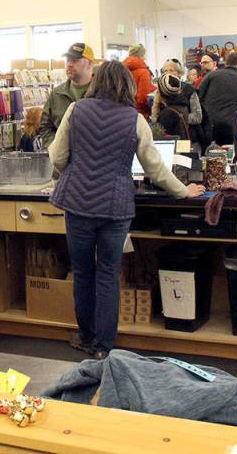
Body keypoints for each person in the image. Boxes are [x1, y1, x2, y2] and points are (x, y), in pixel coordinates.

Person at [49, 61, 204, 359]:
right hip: (115, 205)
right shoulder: (135, 119)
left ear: (96, 81)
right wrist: (184, 190)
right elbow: (155, 168)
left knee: (82, 272)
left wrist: (75, 172)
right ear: (127, 85)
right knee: (108, 273)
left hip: (78, 204)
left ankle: (85, 335)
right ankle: (103, 347)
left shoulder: (76, 110)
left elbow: (57, 156)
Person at [38, 43, 94, 148]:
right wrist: (55, 147)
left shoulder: (101, 93)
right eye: (68, 60)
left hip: (93, 160)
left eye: (75, 60)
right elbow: (45, 127)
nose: (69, 64)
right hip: (63, 162)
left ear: (90, 64)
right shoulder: (56, 94)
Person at [198, 50, 237, 146]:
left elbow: (197, 95)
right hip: (231, 126)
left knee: (208, 155)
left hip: (210, 124)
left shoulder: (211, 75)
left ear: (226, 63)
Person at [153, 73, 206, 149]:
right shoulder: (181, 107)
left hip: (175, 152)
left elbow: (163, 142)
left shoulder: (167, 114)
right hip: (185, 147)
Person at [123, 43, 156, 118]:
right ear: (140, 56)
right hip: (139, 113)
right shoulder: (143, 72)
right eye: (144, 55)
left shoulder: (121, 69)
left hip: (123, 111)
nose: (145, 58)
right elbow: (142, 97)